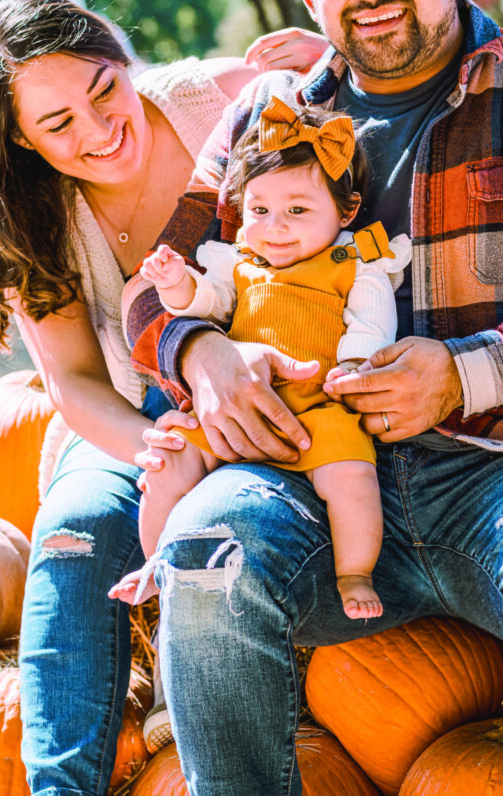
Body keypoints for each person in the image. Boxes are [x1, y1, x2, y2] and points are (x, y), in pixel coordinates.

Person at [124, 0, 503, 796]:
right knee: (206, 559)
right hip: (299, 468)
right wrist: (202, 353)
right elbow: (149, 287)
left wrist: (468, 369)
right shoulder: (267, 114)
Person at [0, 0, 315, 794]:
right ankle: (62, 784)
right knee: (74, 532)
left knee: (223, 532)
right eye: (57, 123)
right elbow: (72, 381)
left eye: (102, 88)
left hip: (264, 387)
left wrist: (328, 70)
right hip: (127, 416)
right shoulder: (27, 215)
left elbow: (367, 139)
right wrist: (156, 447)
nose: (98, 128)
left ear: (120, 56)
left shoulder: (214, 101)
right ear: (21, 140)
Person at [111, 98, 410, 618]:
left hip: (319, 406)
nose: (275, 226)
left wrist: (356, 365)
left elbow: (370, 319)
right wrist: (176, 283)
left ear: (346, 211)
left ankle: (354, 571)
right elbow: (207, 307)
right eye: (259, 210)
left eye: (297, 210)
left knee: (353, 478)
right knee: (167, 461)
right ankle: (157, 560)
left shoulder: (353, 263)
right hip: (233, 404)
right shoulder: (241, 263)